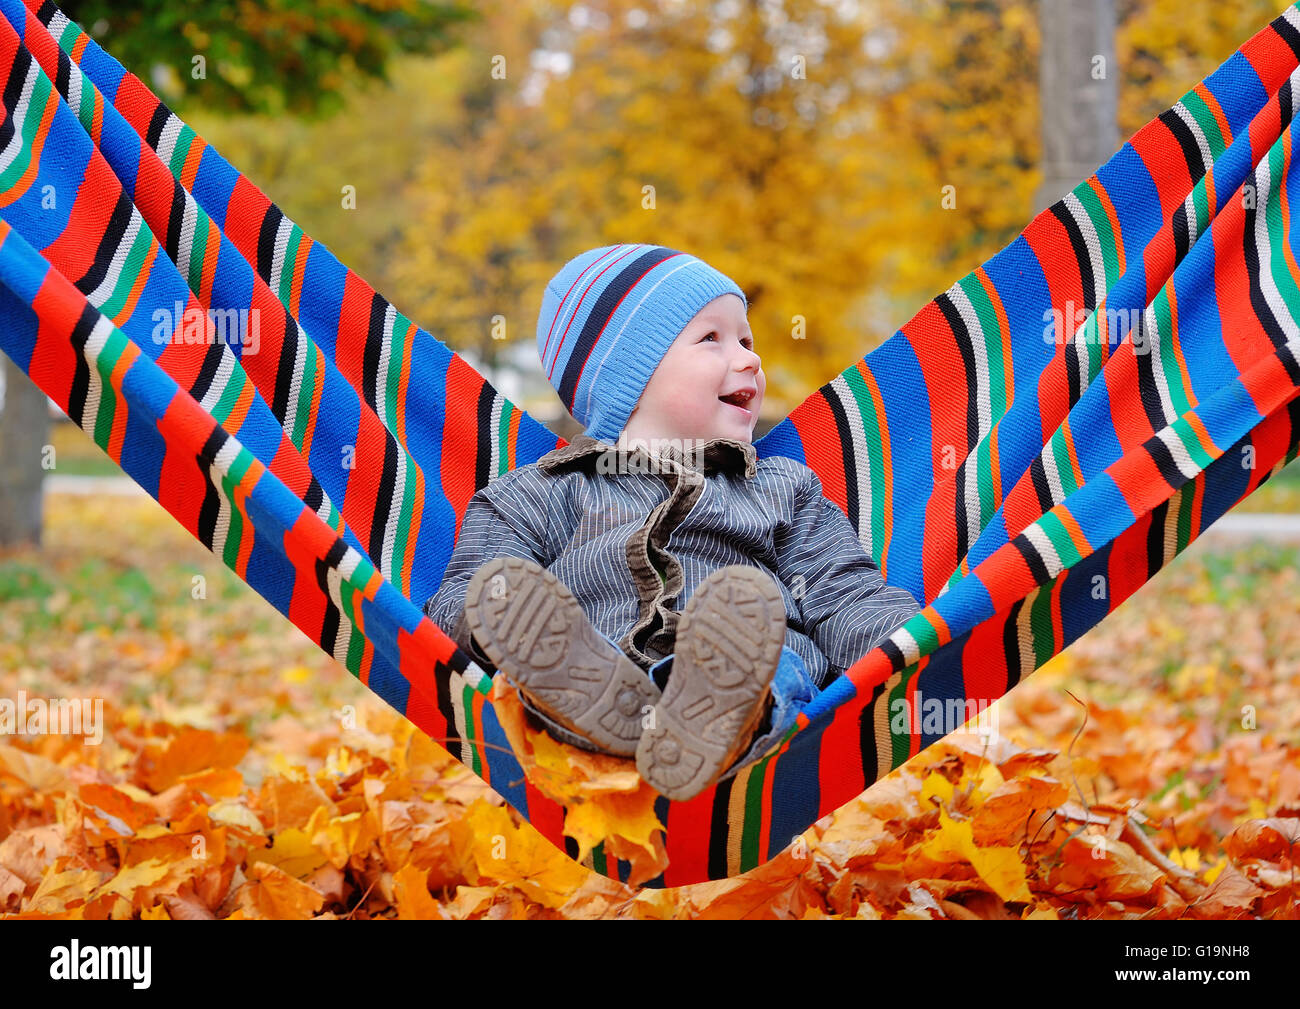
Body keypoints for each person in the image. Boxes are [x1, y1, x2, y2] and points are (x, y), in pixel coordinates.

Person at [424, 243, 922, 800]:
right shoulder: (540, 493)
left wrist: (923, 649)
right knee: (547, 679)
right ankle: (624, 716)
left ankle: (717, 714)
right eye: (712, 339)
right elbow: (463, 603)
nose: (751, 360)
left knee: (763, 655)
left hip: (765, 701)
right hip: (597, 692)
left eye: (747, 340)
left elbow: (844, 595)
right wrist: (496, 620)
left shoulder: (782, 488)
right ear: (626, 378)